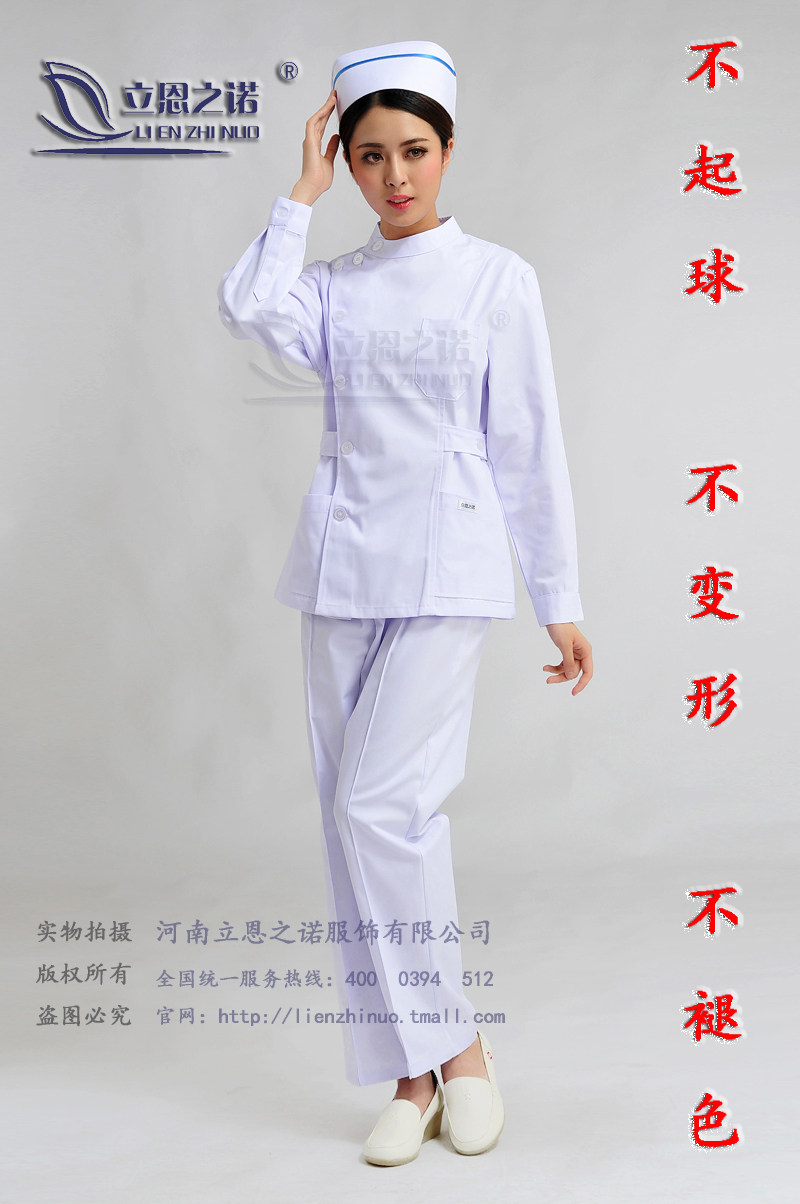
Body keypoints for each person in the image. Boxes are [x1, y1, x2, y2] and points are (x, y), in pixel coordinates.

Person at [217, 39, 593, 1166]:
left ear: (448, 150)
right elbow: (247, 308)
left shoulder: (497, 280)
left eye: (413, 151)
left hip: (447, 561)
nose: (393, 175)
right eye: (369, 154)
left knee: (385, 807)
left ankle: (459, 1049)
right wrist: (298, 193)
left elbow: (527, 439)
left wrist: (557, 594)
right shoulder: (331, 286)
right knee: (348, 822)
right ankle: (410, 1073)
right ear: (348, 159)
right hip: (339, 565)